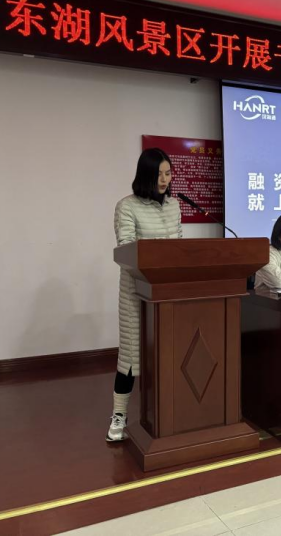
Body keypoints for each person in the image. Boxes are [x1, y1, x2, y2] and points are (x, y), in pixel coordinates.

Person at [107, 148, 182, 442]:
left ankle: (166, 414)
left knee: (166, 353)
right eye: (158, 174)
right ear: (145, 175)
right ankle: (119, 415)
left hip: (167, 293)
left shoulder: (174, 206)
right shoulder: (126, 206)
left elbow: (179, 247)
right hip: (136, 292)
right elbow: (126, 249)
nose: (164, 179)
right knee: (130, 357)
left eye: (168, 173)